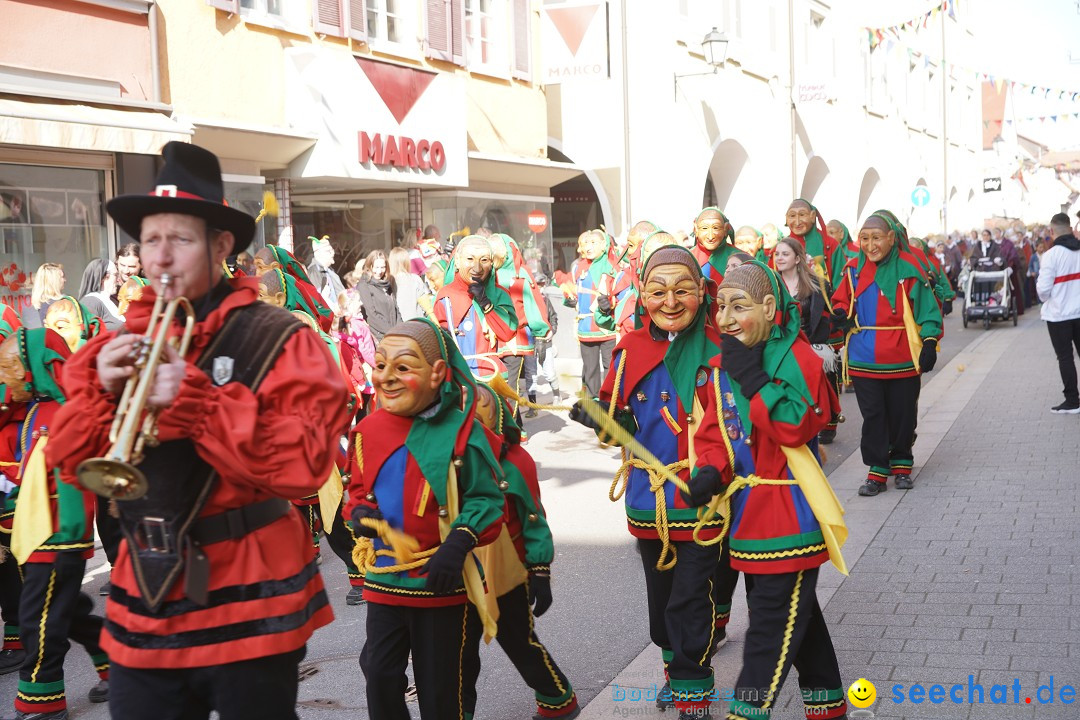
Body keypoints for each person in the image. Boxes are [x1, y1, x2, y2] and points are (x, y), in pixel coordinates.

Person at [47, 142, 349, 720]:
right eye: (150, 241)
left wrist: (195, 400)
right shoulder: (112, 345)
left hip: (251, 584)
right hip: (148, 587)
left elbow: (305, 466)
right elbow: (67, 463)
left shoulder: (284, 337)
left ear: (221, 244)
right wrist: (93, 393)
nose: (159, 258)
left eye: (179, 240)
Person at [571, 247, 734, 719]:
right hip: (648, 499)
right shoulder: (627, 351)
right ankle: (671, 669)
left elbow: (731, 425)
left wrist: (713, 471)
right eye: (657, 290)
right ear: (642, 293)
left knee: (689, 597)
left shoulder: (721, 350)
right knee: (661, 598)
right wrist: (599, 419)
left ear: (702, 293)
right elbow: (615, 425)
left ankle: (693, 687)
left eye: (682, 289)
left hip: (703, 497)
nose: (669, 300)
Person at [688, 261, 848, 720]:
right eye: (720, 307)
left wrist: (753, 378)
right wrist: (710, 473)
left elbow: (795, 427)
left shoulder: (800, 359)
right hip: (747, 515)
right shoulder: (719, 368)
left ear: (770, 307)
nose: (725, 318)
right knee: (797, 614)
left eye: (739, 307)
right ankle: (827, 702)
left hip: (790, 512)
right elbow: (715, 435)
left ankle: (745, 711)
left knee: (770, 627)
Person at [344, 318, 506, 720]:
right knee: (380, 675)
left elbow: (487, 501)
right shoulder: (368, 429)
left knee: (440, 691)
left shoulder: (463, 432)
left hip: (442, 581)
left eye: (403, 368)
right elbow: (358, 490)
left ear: (436, 373)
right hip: (385, 577)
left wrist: (458, 544)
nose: (387, 378)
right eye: (381, 366)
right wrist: (360, 512)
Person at [0, 328, 110, 719]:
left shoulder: (68, 412)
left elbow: (72, 479)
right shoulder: (28, 411)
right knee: (67, 611)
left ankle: (42, 700)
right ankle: (115, 660)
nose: (6, 375)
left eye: (11, 366)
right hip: (30, 535)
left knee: (39, 620)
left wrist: (68, 537)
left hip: (57, 535)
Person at [462, 385, 579, 720]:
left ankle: (558, 700)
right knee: (459, 654)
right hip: (461, 569)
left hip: (507, 571)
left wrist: (540, 569)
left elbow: (533, 518)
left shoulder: (515, 462)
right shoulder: (453, 459)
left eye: (480, 409)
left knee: (519, 643)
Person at [831, 211, 943, 496]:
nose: (870, 245)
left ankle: (902, 462)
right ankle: (877, 470)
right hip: (863, 356)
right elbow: (841, 300)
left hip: (903, 356)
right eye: (864, 238)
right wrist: (841, 314)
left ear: (892, 238)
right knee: (873, 415)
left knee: (903, 414)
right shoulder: (852, 269)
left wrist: (929, 342)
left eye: (876, 238)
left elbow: (928, 312)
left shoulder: (909, 270)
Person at [434, 236, 517, 381]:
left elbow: (507, 332)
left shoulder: (499, 294)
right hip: (456, 379)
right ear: (458, 261)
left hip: (491, 378)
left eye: (484, 260)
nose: (477, 268)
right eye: (470, 259)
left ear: (491, 263)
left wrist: (486, 304)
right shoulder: (445, 297)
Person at [567, 229, 622, 397]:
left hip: (607, 328)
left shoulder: (613, 267)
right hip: (585, 327)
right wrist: (570, 299)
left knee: (609, 367)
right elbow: (573, 290)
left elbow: (620, 295)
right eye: (587, 243)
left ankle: (610, 403)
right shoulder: (577, 267)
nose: (588, 247)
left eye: (594, 243)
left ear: (603, 245)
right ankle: (594, 403)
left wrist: (609, 305)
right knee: (590, 369)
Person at [1036, 213, 1080, 414]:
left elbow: (1043, 291)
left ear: (1052, 231)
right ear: (1071, 228)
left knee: (1065, 358)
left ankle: (1072, 401)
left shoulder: (1051, 255)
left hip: (1059, 315)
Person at [783, 199, 843, 289]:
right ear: (786, 219)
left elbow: (841, 285)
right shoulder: (780, 248)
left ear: (812, 216)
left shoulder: (831, 245)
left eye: (802, 215)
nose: (797, 222)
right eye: (792, 216)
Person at [353, 250, 400, 341]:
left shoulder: (386, 283)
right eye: (376, 267)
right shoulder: (364, 285)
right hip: (379, 336)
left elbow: (396, 309)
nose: (379, 271)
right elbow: (371, 315)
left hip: (394, 334)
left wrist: (400, 329)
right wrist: (391, 332)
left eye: (382, 267)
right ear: (369, 267)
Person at [689, 207, 739, 286]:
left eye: (716, 228)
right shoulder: (687, 257)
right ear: (696, 230)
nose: (710, 236)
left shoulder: (741, 258)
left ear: (725, 229)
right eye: (704, 228)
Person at [77, 259, 123, 330]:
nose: (118, 279)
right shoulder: (91, 302)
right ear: (104, 278)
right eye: (116, 275)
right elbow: (89, 333)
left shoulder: (110, 300)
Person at [306, 235, 347, 310]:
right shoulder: (314, 271)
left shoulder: (329, 270)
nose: (333, 253)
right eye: (328, 251)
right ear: (318, 254)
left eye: (332, 250)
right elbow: (317, 300)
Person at [19, 264, 65, 329]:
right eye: (62, 277)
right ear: (53, 281)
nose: (64, 280)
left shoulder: (44, 304)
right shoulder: (59, 304)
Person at [389, 247, 426, 321]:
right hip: (417, 322)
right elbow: (424, 303)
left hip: (398, 324)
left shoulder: (389, 282)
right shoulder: (416, 279)